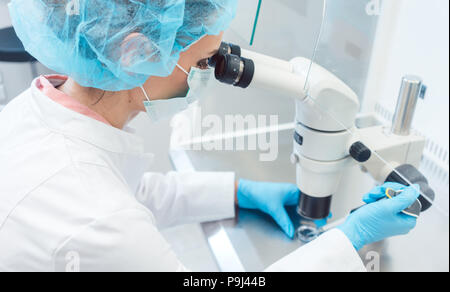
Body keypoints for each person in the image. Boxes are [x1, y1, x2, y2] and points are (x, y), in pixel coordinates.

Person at [0, 0, 419, 272]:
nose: (207, 75)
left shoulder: (38, 109)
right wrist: (348, 244)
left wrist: (238, 192)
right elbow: (108, 212)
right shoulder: (97, 222)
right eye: (202, 61)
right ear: (137, 54)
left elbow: (130, 192)